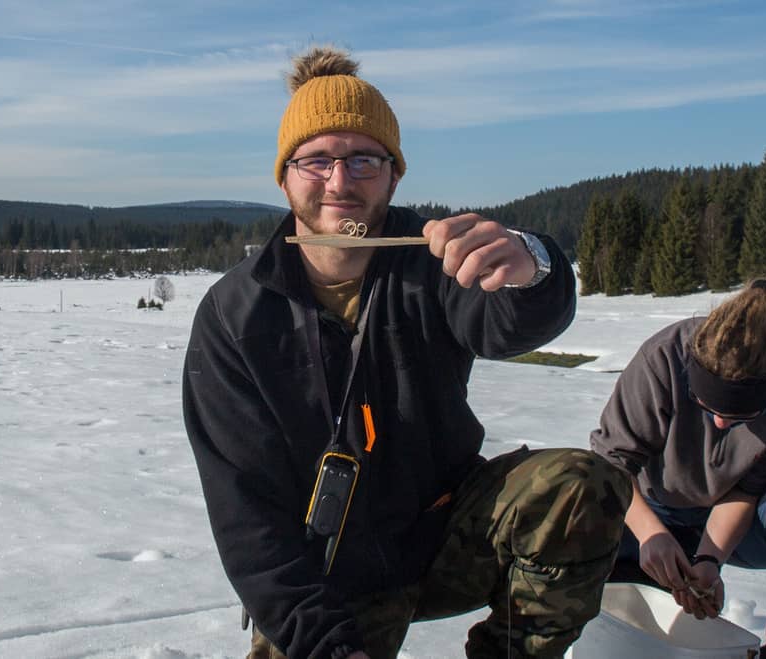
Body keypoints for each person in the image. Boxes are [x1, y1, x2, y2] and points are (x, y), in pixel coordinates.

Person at [182, 46, 631, 659]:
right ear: (284, 175)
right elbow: (247, 517)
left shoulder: (435, 262)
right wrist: (323, 644)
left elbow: (507, 326)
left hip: (442, 535)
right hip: (324, 573)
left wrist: (534, 266)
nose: (340, 181)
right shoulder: (235, 315)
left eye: (363, 160)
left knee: (578, 487)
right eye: (317, 160)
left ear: (394, 175)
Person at [590, 278, 766, 658]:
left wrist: (709, 559)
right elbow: (611, 464)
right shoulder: (665, 355)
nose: (720, 423)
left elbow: (748, 489)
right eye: (706, 406)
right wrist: (650, 534)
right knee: (578, 492)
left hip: (744, 523)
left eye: (741, 417)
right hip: (647, 509)